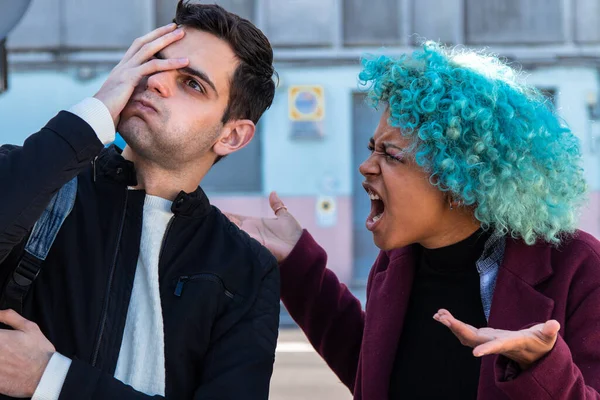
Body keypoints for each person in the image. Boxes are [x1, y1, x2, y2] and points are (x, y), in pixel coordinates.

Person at [226, 42, 600, 399]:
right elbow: (371, 371)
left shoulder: (578, 267)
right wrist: (296, 262)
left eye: (391, 155)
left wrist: (540, 367)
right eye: (371, 148)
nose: (366, 166)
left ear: (459, 182)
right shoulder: (398, 260)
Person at [0, 1, 279, 399]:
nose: (158, 82)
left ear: (231, 136)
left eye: (192, 84)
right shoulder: (39, 182)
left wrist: (51, 379)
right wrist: (92, 115)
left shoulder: (245, 269)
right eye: (156, 63)